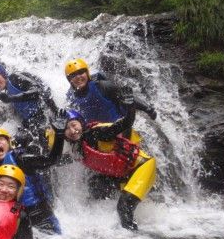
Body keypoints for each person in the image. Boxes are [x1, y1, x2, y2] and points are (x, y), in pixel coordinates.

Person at [58, 87, 156, 230]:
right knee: (94, 188)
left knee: (123, 208)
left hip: (141, 167)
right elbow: (56, 160)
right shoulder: (77, 148)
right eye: (67, 129)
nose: (73, 131)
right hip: (123, 175)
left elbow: (126, 123)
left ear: (81, 122)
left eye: (74, 125)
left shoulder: (96, 133)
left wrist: (130, 108)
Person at [0, 125, 65, 234]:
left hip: (39, 216)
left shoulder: (22, 159)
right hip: (12, 219)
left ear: (9, 144)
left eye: (1, 139)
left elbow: (52, 160)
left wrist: (59, 134)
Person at [0, 59, 59, 152]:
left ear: (3, 74)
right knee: (11, 145)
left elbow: (38, 91)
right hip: (31, 124)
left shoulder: (15, 78)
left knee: (40, 146)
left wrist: (12, 98)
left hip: (45, 118)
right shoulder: (6, 92)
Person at [64, 58, 157, 127]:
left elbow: (127, 97)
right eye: (73, 75)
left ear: (87, 74)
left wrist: (147, 108)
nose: (78, 77)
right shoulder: (71, 98)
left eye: (81, 72)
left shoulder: (102, 86)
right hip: (96, 134)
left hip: (119, 127)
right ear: (69, 80)